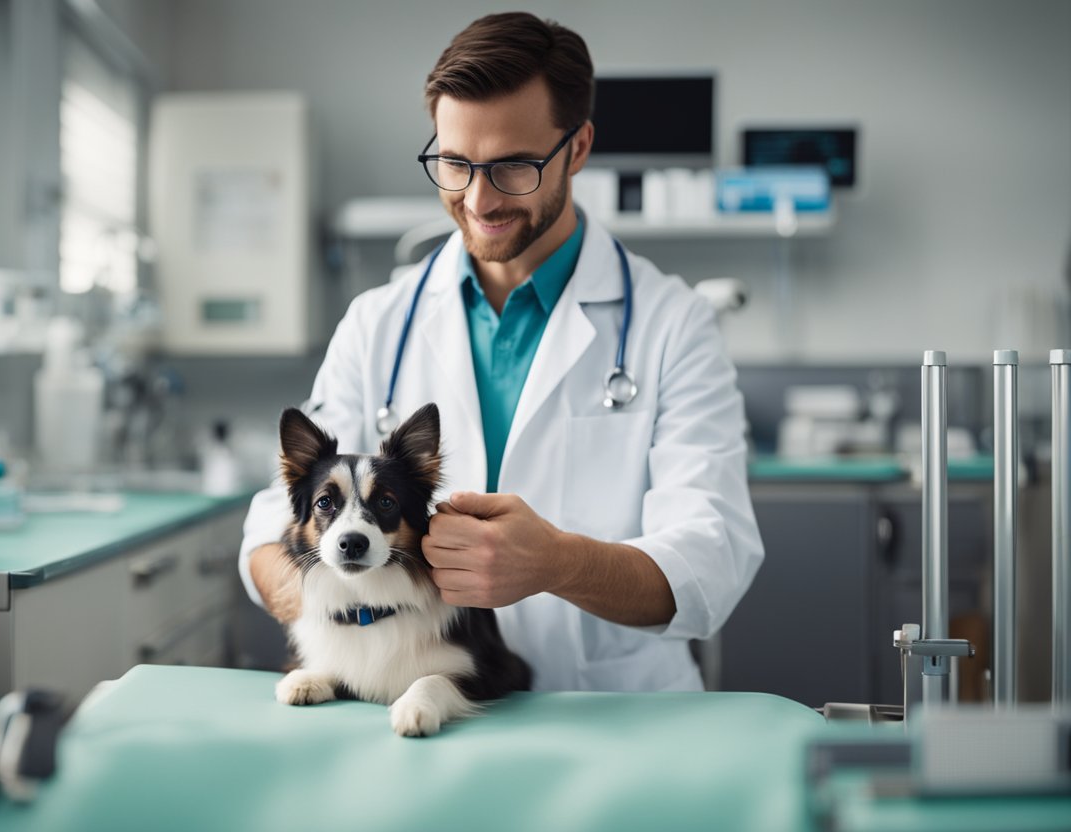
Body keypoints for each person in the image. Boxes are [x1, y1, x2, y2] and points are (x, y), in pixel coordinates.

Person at [239, 11, 763, 692]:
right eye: (455, 164)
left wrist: (558, 565)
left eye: (513, 166)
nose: (479, 199)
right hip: (418, 711)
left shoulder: (674, 325)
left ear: (576, 149)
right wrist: (337, 583)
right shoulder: (378, 323)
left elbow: (710, 561)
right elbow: (271, 533)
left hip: (614, 716)